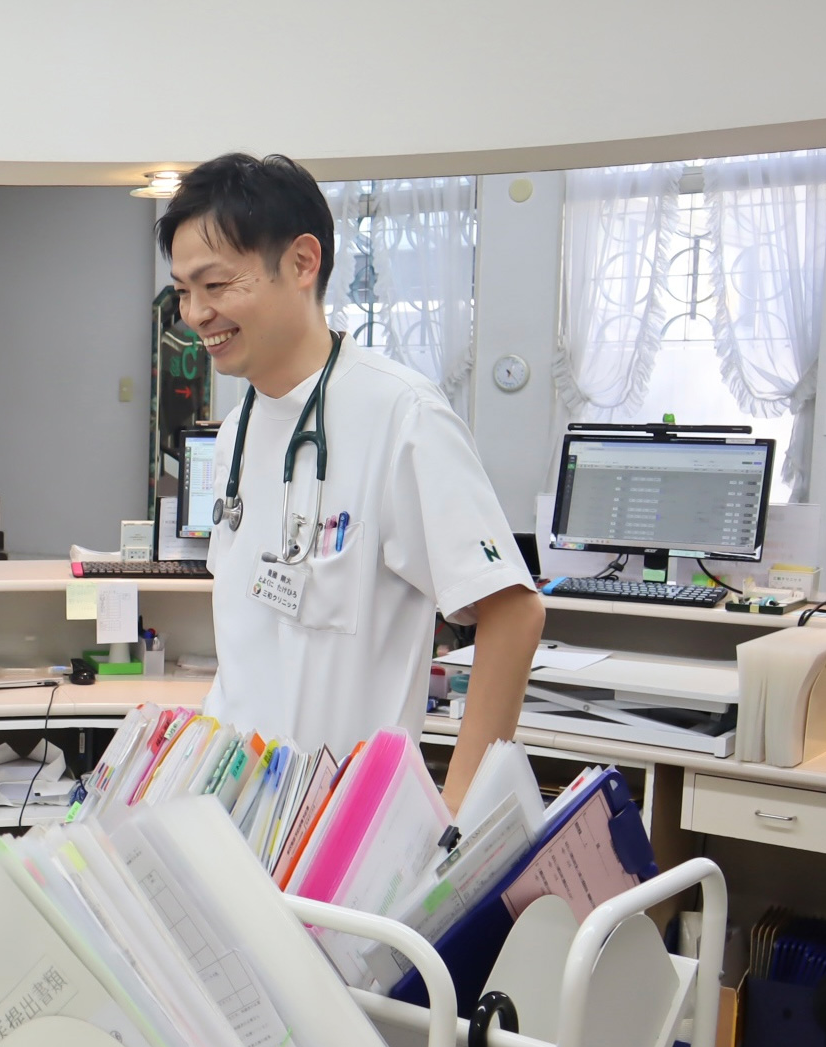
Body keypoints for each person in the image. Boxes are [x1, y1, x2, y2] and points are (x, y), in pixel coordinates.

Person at [158, 153, 544, 811]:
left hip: (343, 829)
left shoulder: (402, 415)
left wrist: (456, 819)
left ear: (302, 263)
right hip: (233, 812)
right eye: (182, 290)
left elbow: (512, 612)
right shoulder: (236, 430)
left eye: (215, 285)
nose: (195, 313)